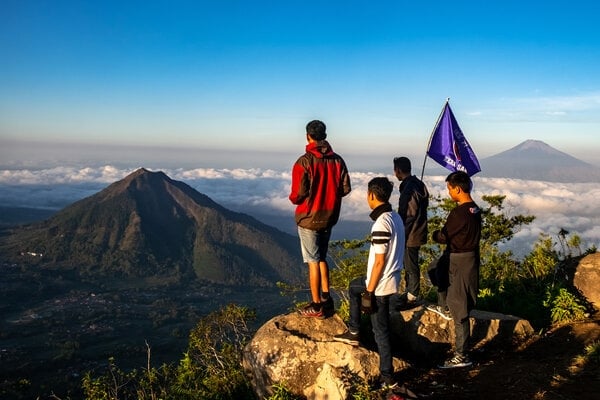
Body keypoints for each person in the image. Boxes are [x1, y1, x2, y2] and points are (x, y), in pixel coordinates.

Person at [333, 177, 406, 389]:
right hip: (392, 280)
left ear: (371, 195)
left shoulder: (381, 223)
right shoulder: (395, 217)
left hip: (380, 284)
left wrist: (370, 291)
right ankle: (354, 330)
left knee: (380, 330)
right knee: (354, 286)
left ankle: (387, 376)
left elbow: (379, 261)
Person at [289, 120, 351, 318]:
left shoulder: (304, 162)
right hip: (329, 216)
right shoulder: (338, 160)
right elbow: (345, 188)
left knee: (313, 261)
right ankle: (326, 298)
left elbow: (298, 194)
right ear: (325, 135)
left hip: (309, 218)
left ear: (308, 136)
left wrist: (295, 199)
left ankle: (316, 306)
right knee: (321, 257)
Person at [431, 171, 481, 368]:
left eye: (449, 189)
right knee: (435, 268)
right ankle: (444, 306)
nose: (449, 192)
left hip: (460, 259)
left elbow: (444, 236)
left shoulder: (459, 213)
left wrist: (435, 235)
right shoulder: (474, 209)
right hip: (467, 256)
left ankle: (461, 355)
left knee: (459, 305)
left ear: (458, 189)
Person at [393, 156, 429, 307]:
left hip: (411, 234)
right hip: (418, 231)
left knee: (410, 265)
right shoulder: (417, 185)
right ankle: (409, 292)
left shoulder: (410, 188)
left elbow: (409, 214)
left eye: (395, 170)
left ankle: (412, 296)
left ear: (398, 170)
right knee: (409, 263)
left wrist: (401, 233)